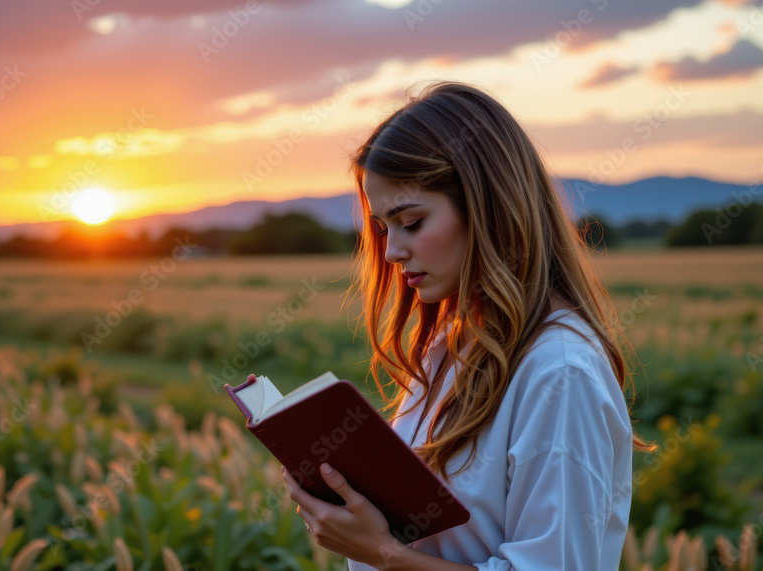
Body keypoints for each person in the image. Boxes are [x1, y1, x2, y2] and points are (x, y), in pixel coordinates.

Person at [280, 81, 656, 570]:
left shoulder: (559, 372)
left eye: (411, 221)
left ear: (488, 209)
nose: (392, 251)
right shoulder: (449, 345)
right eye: (382, 227)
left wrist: (382, 554)